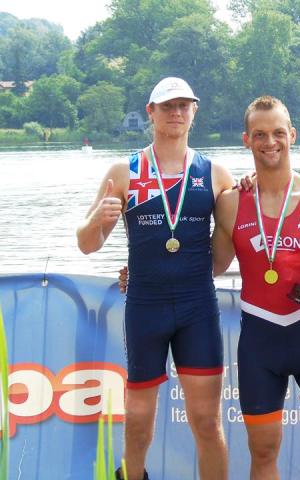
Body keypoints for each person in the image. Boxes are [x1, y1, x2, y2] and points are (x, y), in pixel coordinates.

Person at [77, 77, 234, 480]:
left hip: (198, 306)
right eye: (167, 106)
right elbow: (86, 245)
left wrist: (245, 191)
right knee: (138, 420)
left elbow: (230, 248)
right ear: (151, 112)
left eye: (184, 105)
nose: (176, 113)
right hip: (146, 306)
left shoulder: (215, 173)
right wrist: (98, 219)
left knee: (206, 421)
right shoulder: (124, 170)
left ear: (195, 111)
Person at [212, 95, 300, 480]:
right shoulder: (229, 203)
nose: (269, 142)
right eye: (259, 134)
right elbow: (212, 265)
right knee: (262, 455)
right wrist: (143, 269)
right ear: (246, 139)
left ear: (292, 134)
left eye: (277, 133)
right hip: (260, 344)